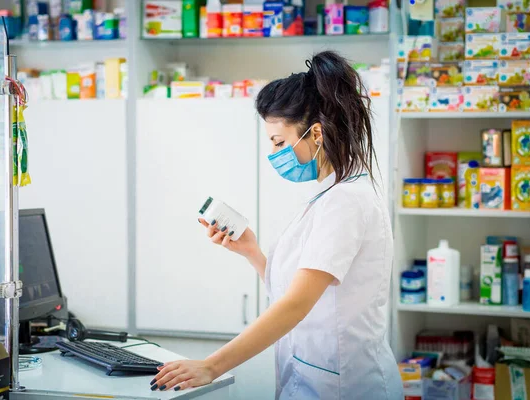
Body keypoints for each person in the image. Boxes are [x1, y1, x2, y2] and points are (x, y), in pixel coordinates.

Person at [150, 50, 403, 399]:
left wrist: (212, 366)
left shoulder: (347, 201)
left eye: (280, 142)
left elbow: (296, 304)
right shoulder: (328, 196)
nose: (274, 154)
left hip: (346, 386)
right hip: (317, 377)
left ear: (316, 133)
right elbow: (305, 291)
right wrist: (252, 251)